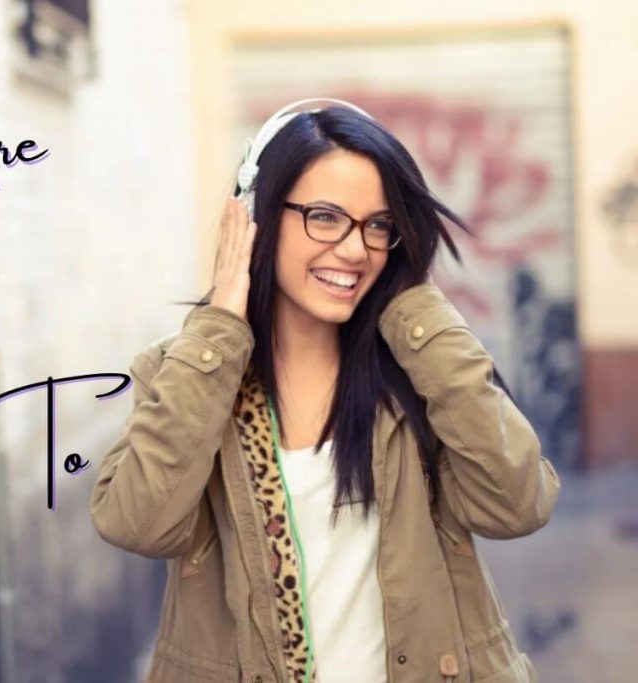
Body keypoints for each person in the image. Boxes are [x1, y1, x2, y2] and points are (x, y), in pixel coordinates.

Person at [90, 99, 561, 683]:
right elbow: (137, 522)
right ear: (257, 215)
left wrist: (414, 304)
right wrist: (221, 324)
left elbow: (518, 506)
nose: (355, 248)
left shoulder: (418, 371)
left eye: (378, 225)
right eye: (325, 216)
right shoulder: (190, 375)